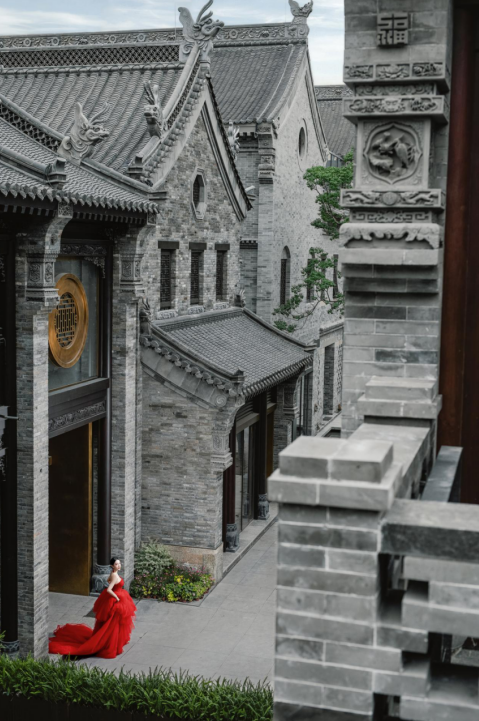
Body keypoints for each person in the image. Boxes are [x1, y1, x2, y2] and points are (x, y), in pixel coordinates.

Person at [49, 557, 137, 659]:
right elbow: (109, 589)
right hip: (115, 600)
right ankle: (109, 643)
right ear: (112, 566)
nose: (119, 565)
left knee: (114, 622)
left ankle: (113, 641)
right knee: (112, 623)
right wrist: (117, 597)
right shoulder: (114, 575)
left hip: (117, 597)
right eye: (116, 564)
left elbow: (108, 580)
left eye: (119, 563)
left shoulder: (113, 573)